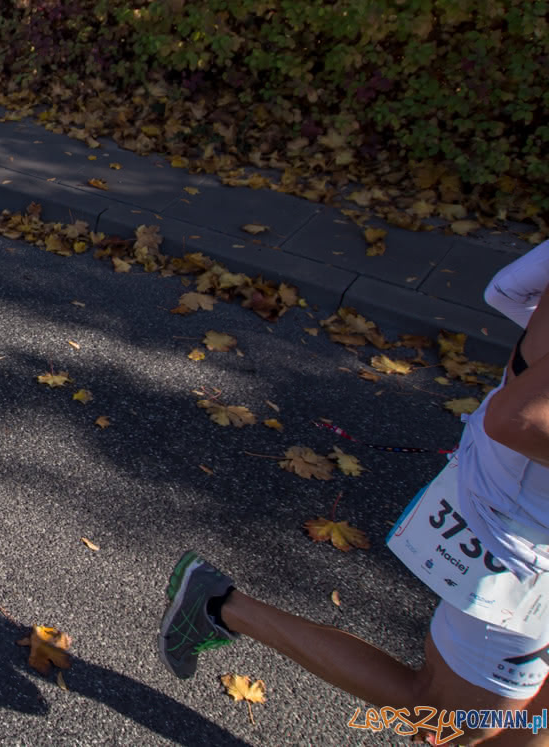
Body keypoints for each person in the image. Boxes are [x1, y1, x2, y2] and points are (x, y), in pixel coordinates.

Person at [160, 244, 549, 746]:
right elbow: (517, 420)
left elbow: (510, 290)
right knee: (449, 720)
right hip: (521, 535)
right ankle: (218, 604)